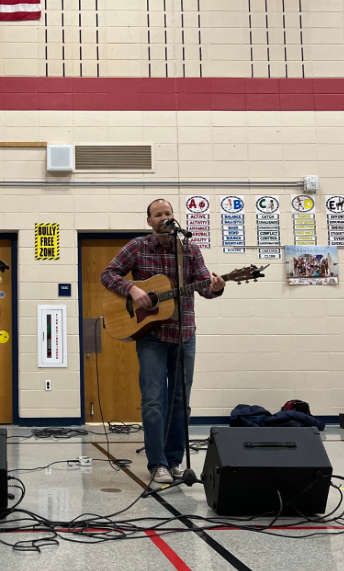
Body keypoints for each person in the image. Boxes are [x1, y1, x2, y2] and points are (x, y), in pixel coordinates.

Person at [100, 199, 225, 485]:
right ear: (149, 221)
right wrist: (132, 289)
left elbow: (205, 287)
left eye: (168, 213)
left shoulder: (189, 249)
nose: (164, 217)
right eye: (158, 215)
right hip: (151, 336)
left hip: (184, 334)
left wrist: (217, 287)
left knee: (181, 402)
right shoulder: (138, 247)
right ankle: (157, 464)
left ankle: (175, 460)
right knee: (154, 401)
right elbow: (107, 274)